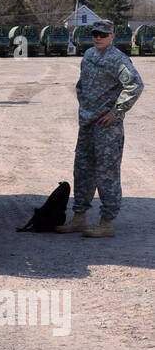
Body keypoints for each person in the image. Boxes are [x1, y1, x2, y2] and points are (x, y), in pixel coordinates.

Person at [55, 18, 144, 237]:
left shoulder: (117, 59)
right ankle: (79, 218)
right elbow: (81, 85)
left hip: (107, 127)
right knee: (82, 170)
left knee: (107, 174)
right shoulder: (88, 56)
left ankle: (106, 222)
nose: (98, 38)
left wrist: (116, 112)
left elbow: (135, 85)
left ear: (112, 36)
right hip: (87, 123)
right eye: (95, 33)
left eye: (103, 34)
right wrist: (84, 106)